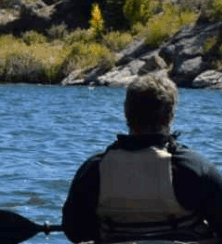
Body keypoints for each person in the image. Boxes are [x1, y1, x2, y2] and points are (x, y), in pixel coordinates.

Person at [62, 72, 222, 243]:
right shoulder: (194, 167)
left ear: (126, 113)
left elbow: (75, 231)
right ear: (170, 115)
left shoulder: (94, 169)